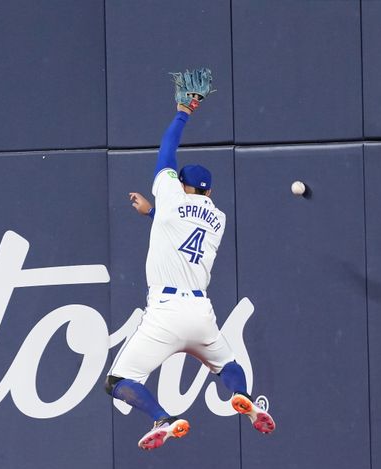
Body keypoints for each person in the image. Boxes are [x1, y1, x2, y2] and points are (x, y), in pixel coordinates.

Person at [104, 94, 275, 450]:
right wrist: (153, 215)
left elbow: (167, 151)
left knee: (118, 380)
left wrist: (183, 113)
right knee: (227, 365)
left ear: (180, 184)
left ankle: (162, 418)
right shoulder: (218, 218)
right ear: (208, 191)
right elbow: (185, 232)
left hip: (165, 313)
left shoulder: (170, 196)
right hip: (200, 314)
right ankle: (244, 397)